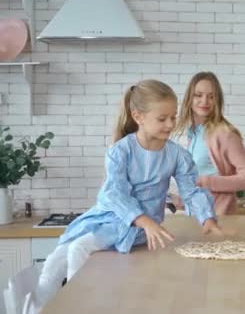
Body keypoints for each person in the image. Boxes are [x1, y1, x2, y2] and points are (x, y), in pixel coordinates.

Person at [34, 80, 227, 310]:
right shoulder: (120, 151)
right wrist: (144, 220)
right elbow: (114, 193)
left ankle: (81, 306)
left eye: (173, 117)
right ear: (138, 116)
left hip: (135, 229)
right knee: (55, 261)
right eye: (162, 118)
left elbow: (191, 190)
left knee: (78, 248)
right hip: (108, 217)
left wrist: (207, 218)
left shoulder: (177, 155)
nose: (170, 124)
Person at [171, 71, 245, 215]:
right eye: (198, 95)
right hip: (197, 219)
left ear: (217, 100)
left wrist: (205, 182)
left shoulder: (224, 133)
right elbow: (202, 184)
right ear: (189, 98)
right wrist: (181, 201)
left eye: (211, 96)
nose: (205, 101)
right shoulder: (193, 133)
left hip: (219, 220)